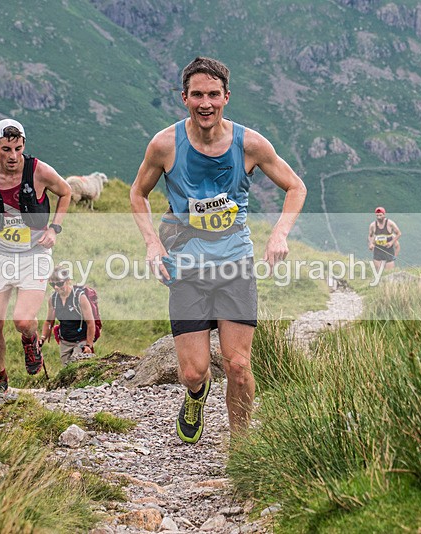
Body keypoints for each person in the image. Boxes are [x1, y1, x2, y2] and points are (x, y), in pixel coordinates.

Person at [129, 56, 306, 444]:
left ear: (226, 96)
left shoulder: (250, 144)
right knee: (193, 372)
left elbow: (296, 186)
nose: (205, 103)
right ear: (184, 98)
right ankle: (196, 395)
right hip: (186, 266)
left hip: (234, 264)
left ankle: (240, 446)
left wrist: (279, 235)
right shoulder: (164, 145)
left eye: (213, 94)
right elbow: (138, 192)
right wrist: (152, 243)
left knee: (238, 365)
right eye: (197, 95)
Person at [0, 118, 72, 399]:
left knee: (22, 321)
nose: (13, 156)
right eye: (6, 149)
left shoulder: (39, 171)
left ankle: (31, 340)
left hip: (34, 253)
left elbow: (66, 192)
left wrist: (54, 229)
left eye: (18, 149)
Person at [38, 264, 97, 366]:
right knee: (66, 370)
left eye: (60, 284)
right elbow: (48, 322)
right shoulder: (53, 299)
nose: (56, 287)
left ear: (68, 280)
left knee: (76, 367)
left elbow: (91, 323)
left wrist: (88, 345)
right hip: (65, 342)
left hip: (81, 341)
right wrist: (42, 338)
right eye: (52, 285)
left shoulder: (79, 297)